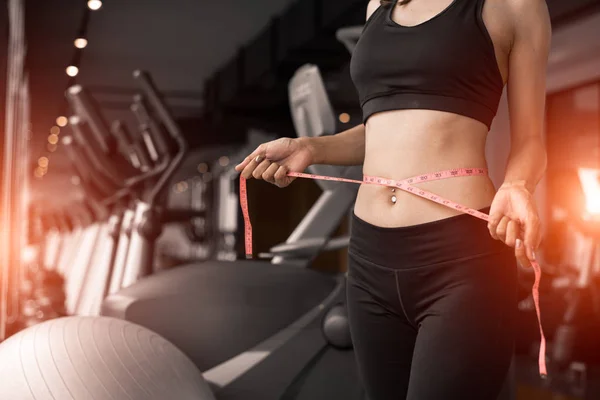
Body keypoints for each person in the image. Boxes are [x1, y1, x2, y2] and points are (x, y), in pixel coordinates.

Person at [235, 0, 551, 398]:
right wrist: (310, 147)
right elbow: (388, 126)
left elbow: (532, 141)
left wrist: (518, 184)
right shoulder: (378, 7)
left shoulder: (512, 5)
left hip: (460, 262)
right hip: (369, 258)